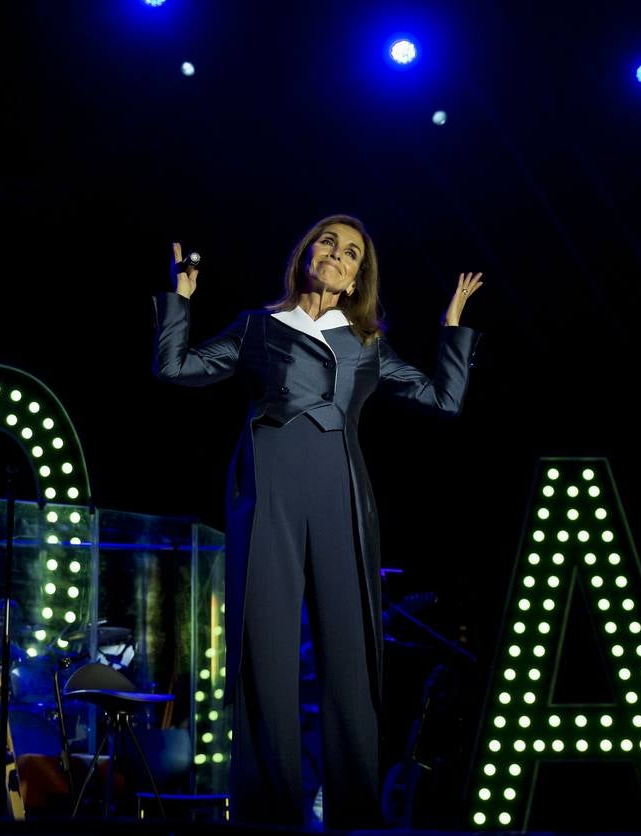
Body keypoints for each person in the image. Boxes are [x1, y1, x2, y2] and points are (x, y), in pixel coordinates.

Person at [151, 214, 482, 829]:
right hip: (269, 484)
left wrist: (452, 330)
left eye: (352, 253)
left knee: (350, 650)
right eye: (329, 241)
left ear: (357, 279)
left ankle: (353, 815)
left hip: (340, 489)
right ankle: (267, 815)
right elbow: (175, 369)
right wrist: (181, 300)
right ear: (306, 252)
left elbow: (445, 399)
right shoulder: (258, 327)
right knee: (264, 647)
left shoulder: (367, 344)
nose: (338, 254)